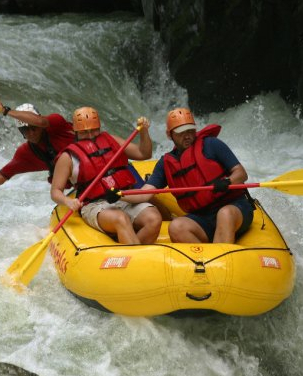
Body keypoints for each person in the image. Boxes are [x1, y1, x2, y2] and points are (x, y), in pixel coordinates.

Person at [108, 107, 254, 244]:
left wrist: (227, 182)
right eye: (181, 132)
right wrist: (119, 194)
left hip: (235, 207)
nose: (187, 136)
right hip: (203, 217)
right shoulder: (165, 164)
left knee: (225, 214)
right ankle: (207, 260)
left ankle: (222, 263)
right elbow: (143, 194)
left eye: (190, 131)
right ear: (169, 134)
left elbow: (241, 173)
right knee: (176, 227)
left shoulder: (211, 144)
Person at [50, 106, 162, 245]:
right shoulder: (68, 157)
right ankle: (134, 255)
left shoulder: (111, 140)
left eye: (94, 130)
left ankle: (130, 252)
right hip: (94, 205)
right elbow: (55, 191)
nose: (91, 135)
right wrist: (68, 201)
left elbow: (143, 154)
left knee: (154, 218)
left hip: (123, 196)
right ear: (76, 131)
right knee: (120, 218)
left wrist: (144, 132)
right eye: (85, 132)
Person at [0, 101, 74, 185]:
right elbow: (3, 175)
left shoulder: (55, 123)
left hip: (90, 159)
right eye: (25, 130)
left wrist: (5, 110)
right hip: (79, 182)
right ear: (21, 132)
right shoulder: (24, 154)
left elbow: (41, 122)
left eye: (34, 127)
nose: (31, 133)